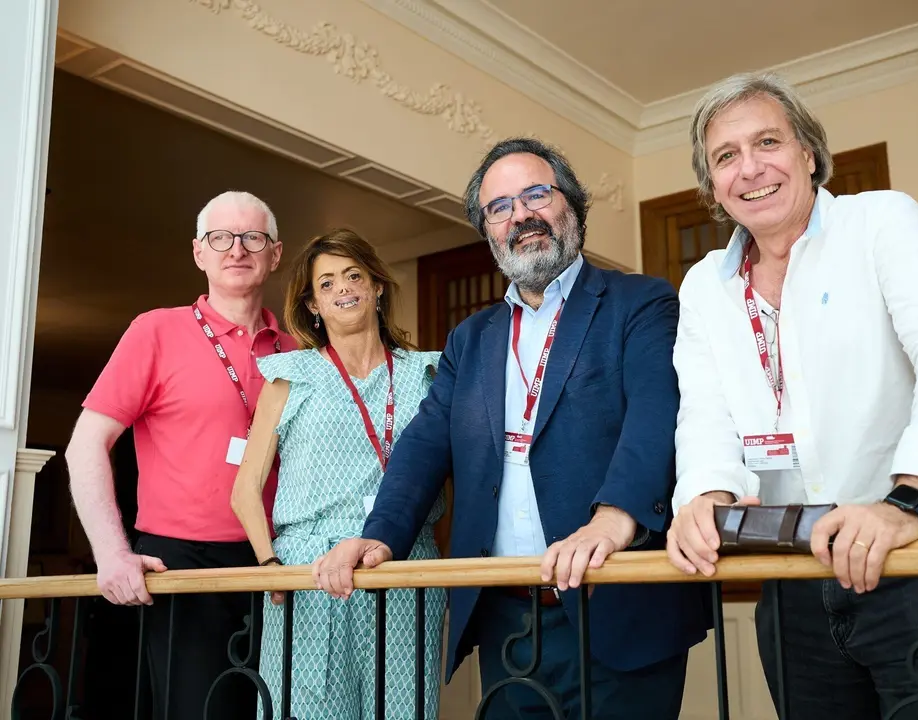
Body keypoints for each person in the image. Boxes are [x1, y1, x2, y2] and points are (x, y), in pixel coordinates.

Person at [311, 137, 708, 719]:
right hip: (506, 616)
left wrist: (613, 518)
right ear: (489, 231)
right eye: (499, 207)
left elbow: (656, 416)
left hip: (615, 605)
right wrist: (383, 533)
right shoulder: (471, 338)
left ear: (570, 204)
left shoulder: (640, 303)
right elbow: (424, 443)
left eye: (536, 194)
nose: (520, 215)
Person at [667, 71, 918, 719]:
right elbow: (705, 415)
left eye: (767, 141)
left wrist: (907, 501)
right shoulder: (703, 287)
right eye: (726, 156)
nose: (750, 169)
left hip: (915, 555)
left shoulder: (881, 220)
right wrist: (704, 498)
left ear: (808, 152)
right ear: (711, 185)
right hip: (791, 571)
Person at [66, 191, 297, 719]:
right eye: (221, 237)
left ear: (275, 253)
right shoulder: (155, 330)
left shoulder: (297, 351)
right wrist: (111, 553)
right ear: (199, 252)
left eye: (252, 237)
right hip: (183, 565)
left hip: (280, 564)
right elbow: (85, 445)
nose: (236, 249)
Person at [231, 228, 445, 720]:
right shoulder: (289, 377)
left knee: (403, 708)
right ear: (312, 305)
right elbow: (245, 490)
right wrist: (269, 568)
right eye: (326, 284)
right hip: (310, 572)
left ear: (377, 287)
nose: (342, 289)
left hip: (406, 566)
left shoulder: (427, 374)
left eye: (353, 276)